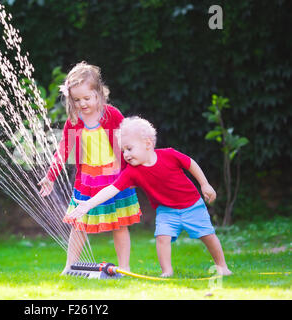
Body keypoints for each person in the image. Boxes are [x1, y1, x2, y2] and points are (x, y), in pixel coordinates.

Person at [68, 116, 232, 277]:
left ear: (147, 144)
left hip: (192, 206)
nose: (125, 154)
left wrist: (204, 184)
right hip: (167, 211)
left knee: (207, 236)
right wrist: (89, 204)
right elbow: (112, 189)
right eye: (123, 150)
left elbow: (190, 163)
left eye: (129, 149)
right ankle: (167, 271)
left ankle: (222, 266)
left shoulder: (169, 155)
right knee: (162, 238)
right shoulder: (131, 172)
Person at [38, 62, 142, 274]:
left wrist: (139, 161)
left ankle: (124, 267)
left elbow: (128, 137)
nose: (82, 103)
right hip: (88, 181)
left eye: (87, 98)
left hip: (115, 179)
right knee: (79, 225)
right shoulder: (74, 121)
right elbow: (63, 149)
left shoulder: (111, 114)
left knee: (120, 225)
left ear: (99, 94)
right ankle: (69, 267)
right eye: (76, 100)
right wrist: (50, 176)